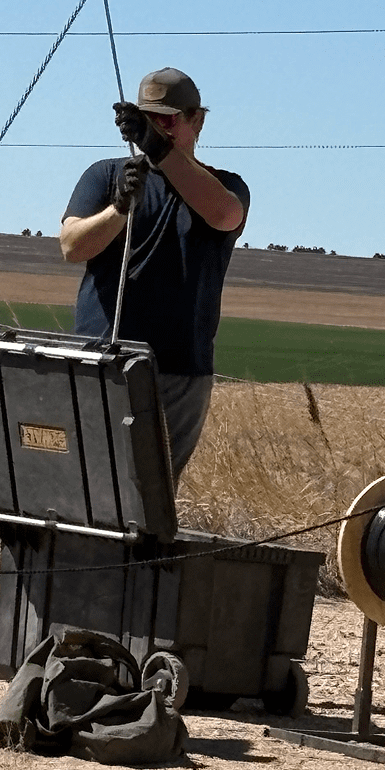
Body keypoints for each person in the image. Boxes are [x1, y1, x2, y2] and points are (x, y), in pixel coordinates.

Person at [58, 68, 249, 480]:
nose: (156, 132)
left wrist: (162, 153)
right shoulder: (107, 176)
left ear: (197, 120)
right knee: (88, 479)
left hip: (179, 369)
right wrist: (119, 208)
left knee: (153, 487)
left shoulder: (225, 185)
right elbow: (73, 246)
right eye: (147, 121)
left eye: (167, 121)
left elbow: (224, 214)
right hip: (101, 356)